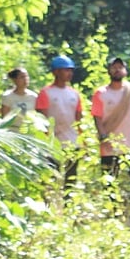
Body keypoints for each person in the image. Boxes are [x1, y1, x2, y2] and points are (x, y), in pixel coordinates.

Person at [91, 57, 130, 224]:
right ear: (108, 71)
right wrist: (103, 137)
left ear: (125, 71)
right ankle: (113, 215)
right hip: (110, 144)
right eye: (114, 67)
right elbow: (97, 117)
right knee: (109, 180)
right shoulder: (101, 93)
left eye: (120, 67)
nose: (117, 70)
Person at [35, 55, 83, 184]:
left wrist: (82, 141)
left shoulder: (74, 94)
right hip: (52, 143)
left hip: (72, 142)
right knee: (51, 179)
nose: (70, 73)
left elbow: (78, 119)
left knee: (71, 178)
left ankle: (69, 204)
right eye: (66, 70)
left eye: (71, 70)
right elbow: (41, 119)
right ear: (56, 72)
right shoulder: (45, 93)